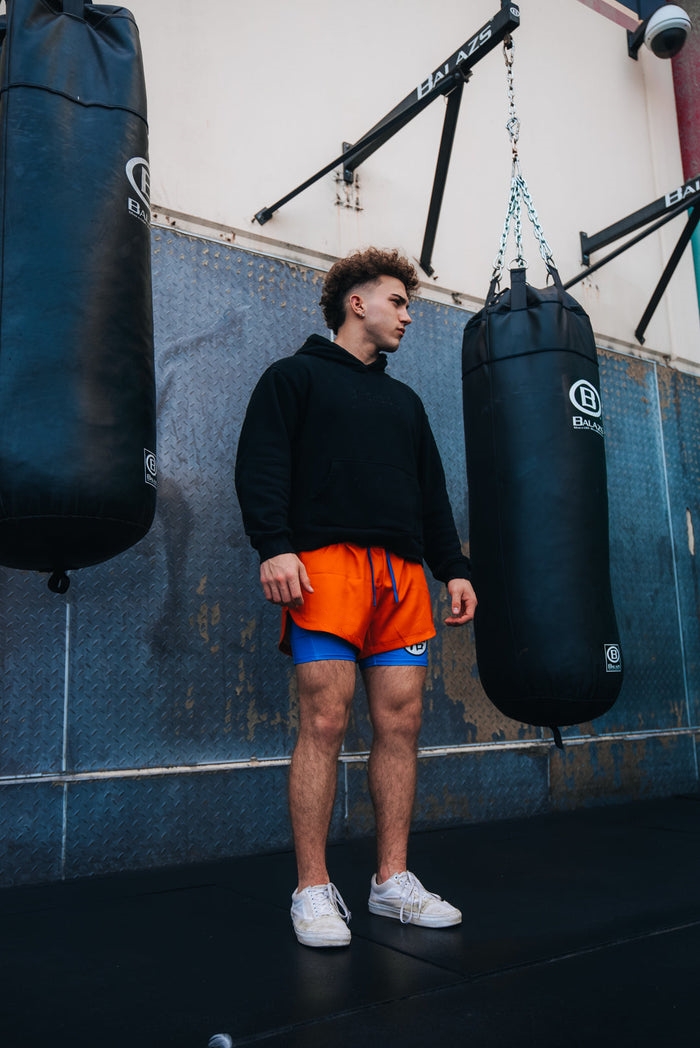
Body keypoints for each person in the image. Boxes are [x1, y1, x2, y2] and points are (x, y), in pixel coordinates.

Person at [235, 247, 476, 948]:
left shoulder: (405, 403)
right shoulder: (293, 377)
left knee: (402, 722)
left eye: (409, 305)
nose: (407, 316)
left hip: (401, 578)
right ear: (357, 302)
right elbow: (261, 465)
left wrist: (455, 568)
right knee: (325, 719)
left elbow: (432, 495)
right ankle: (311, 890)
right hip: (325, 569)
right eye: (398, 301)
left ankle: (390, 881)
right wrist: (273, 545)